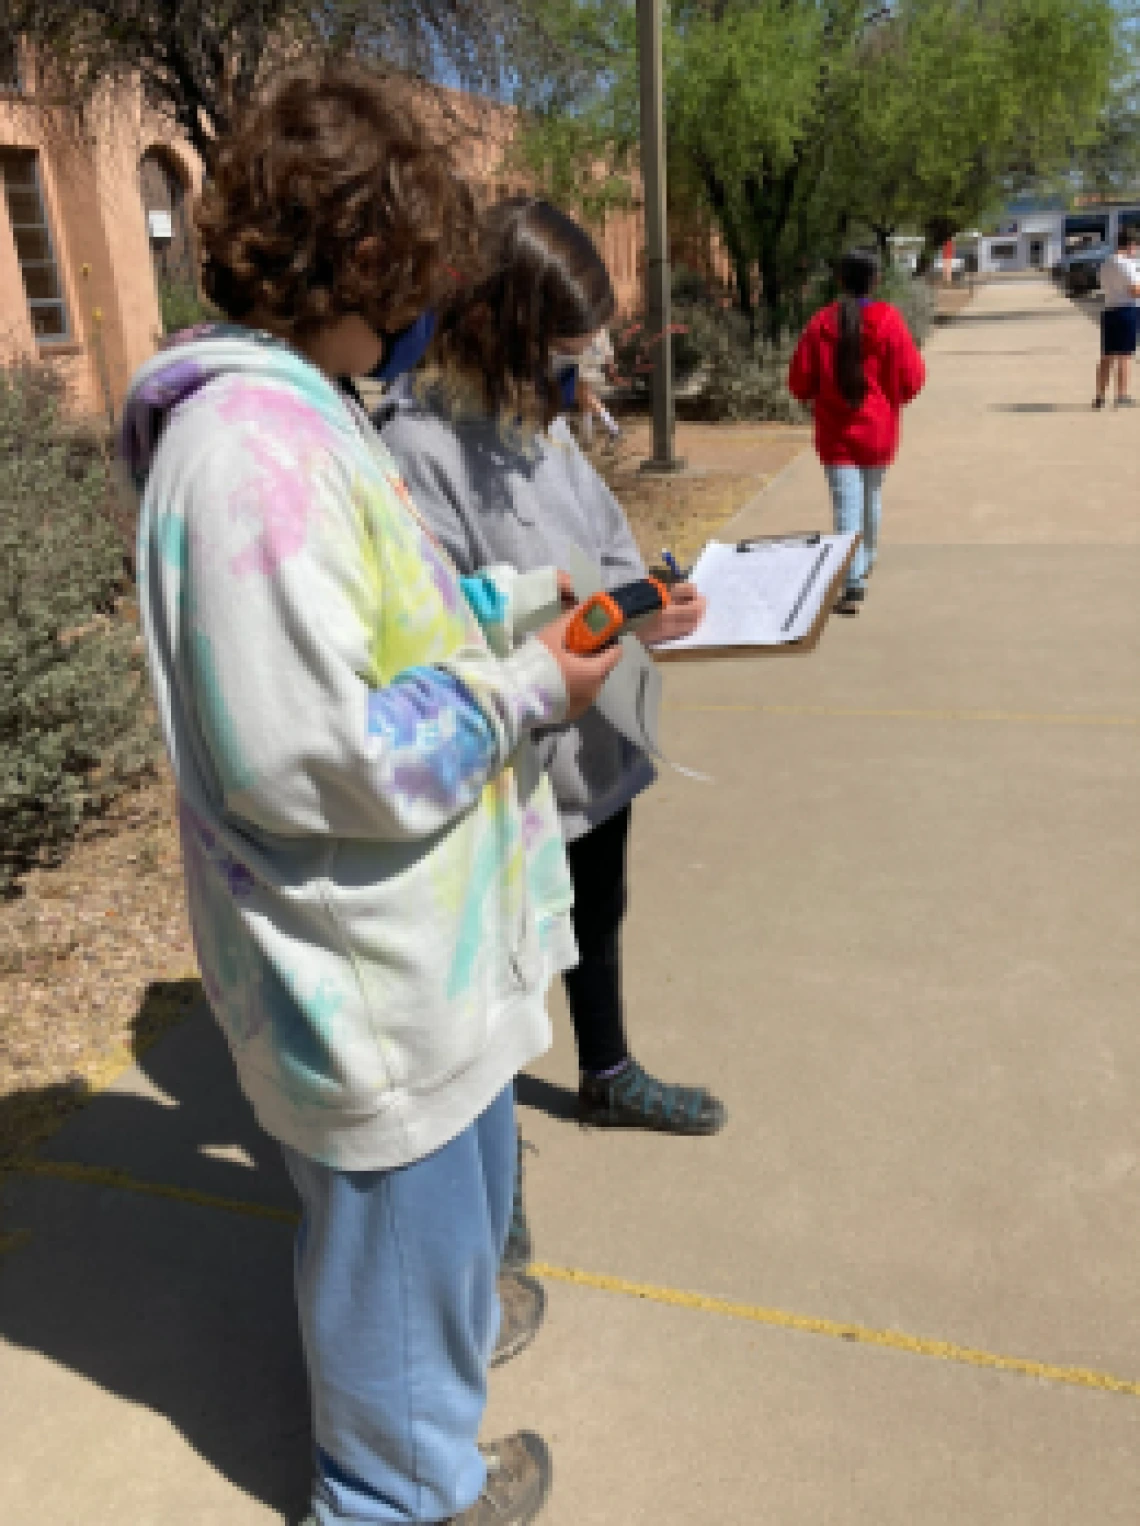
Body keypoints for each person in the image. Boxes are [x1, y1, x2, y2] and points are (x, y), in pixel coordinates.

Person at [120, 66, 620, 1526]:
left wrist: (532, 600)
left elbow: (391, 608)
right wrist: (531, 689)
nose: (424, 304)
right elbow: (310, 752)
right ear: (357, 263)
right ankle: (413, 1494)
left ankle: (433, 1449)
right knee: (388, 1372)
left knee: (429, 1283)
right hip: (370, 985)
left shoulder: (313, 416)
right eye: (408, 268)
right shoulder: (250, 459)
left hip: (422, 969)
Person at [378, 199, 727, 1260]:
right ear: (495, 325)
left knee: (601, 909)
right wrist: (597, 613)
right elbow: (447, 622)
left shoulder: (543, 420)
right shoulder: (416, 446)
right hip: (507, 766)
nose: (582, 371)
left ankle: (609, 1074)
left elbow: (605, 543)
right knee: (509, 957)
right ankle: (499, 1166)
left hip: (599, 735)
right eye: (564, 350)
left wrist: (650, 597)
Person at [788, 249, 925, 615]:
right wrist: (891, 400)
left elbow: (800, 381)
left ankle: (853, 582)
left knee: (846, 506)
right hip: (878, 429)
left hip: (836, 432)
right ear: (876, 279)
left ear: (840, 281)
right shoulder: (890, 321)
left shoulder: (821, 323)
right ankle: (865, 560)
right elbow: (912, 378)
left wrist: (816, 396)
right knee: (871, 499)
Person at [1094, 228, 1140, 409]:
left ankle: (1099, 396)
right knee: (1125, 356)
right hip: (1126, 311)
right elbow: (1134, 290)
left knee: (1106, 356)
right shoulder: (1126, 264)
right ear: (1131, 245)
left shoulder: (1106, 263)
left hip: (1109, 310)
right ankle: (1122, 395)